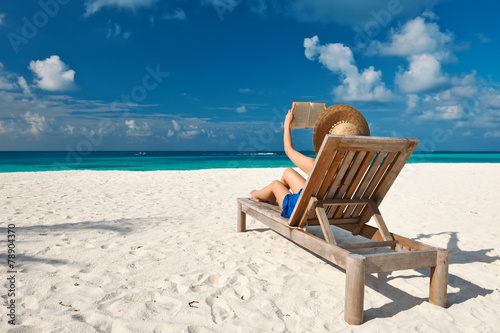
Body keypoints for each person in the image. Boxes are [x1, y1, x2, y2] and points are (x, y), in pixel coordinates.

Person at [250, 104, 370, 218]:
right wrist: (325, 116)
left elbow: (288, 150)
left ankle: (257, 195)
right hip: (329, 208)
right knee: (288, 172)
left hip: (304, 210)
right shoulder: (357, 169)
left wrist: (287, 123)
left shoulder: (318, 167)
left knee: (275, 184)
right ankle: (275, 196)